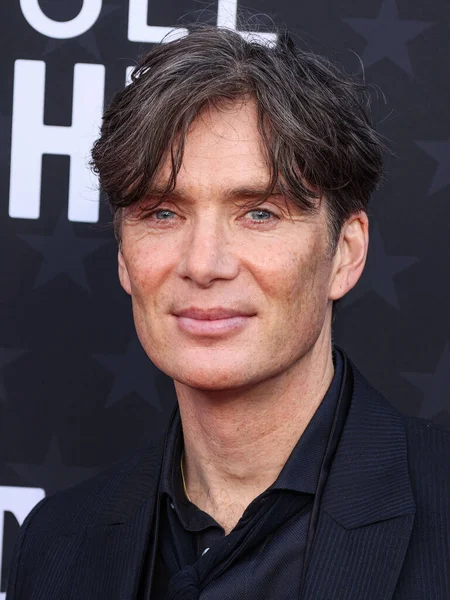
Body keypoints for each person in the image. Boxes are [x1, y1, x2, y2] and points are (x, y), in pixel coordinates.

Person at [6, 24, 450, 600]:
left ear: (345, 252)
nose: (203, 263)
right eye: (162, 213)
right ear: (124, 256)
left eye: (260, 212)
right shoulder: (57, 546)